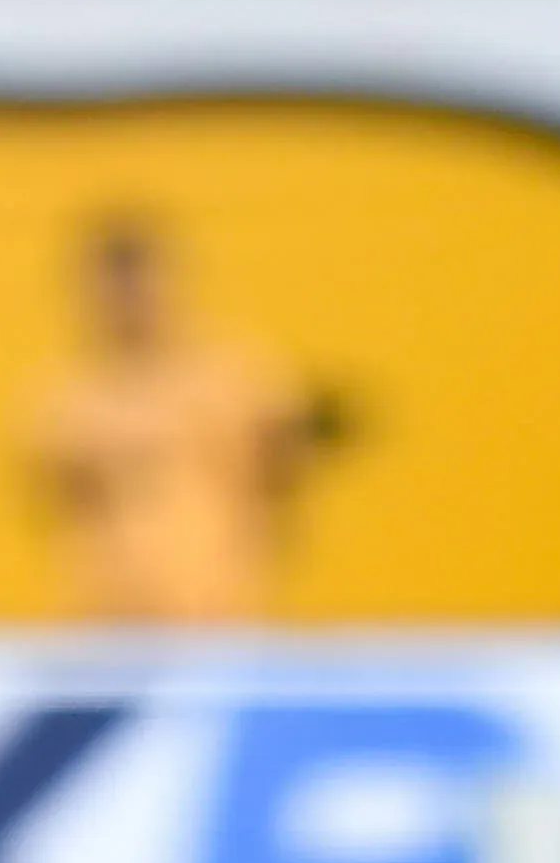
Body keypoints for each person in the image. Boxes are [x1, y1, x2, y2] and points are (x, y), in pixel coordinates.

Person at [26, 213, 335, 624]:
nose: (127, 304)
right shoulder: (68, 401)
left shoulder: (237, 378)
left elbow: (281, 476)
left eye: (138, 284)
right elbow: (59, 503)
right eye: (112, 289)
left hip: (217, 608)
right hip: (110, 617)